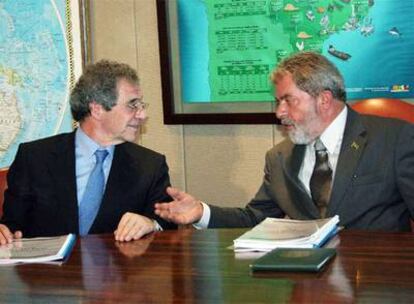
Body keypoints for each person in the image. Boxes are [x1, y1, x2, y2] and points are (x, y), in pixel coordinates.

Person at [155, 52, 414, 231]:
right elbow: (255, 219)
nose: (279, 112)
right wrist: (201, 212)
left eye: (288, 100)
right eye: (278, 102)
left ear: (323, 99)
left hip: (376, 280)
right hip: (307, 285)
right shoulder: (279, 158)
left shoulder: (395, 139)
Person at [0, 60, 176, 244]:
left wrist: (151, 223)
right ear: (97, 109)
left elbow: (168, 222)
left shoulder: (151, 165)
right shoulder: (34, 157)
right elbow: (11, 226)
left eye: (141, 106)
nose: (142, 115)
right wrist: (3, 232)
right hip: (48, 271)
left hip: (119, 270)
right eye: (133, 105)